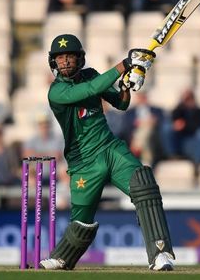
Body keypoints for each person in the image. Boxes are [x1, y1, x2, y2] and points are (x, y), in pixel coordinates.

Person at [39, 34, 175, 271]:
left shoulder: (92, 74)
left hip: (110, 148)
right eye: (60, 58)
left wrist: (127, 84)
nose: (65, 62)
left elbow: (121, 104)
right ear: (54, 63)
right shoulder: (57, 92)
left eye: (70, 56)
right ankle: (63, 258)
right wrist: (124, 65)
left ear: (79, 59)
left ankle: (160, 254)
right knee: (82, 220)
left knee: (144, 185)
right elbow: (90, 89)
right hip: (83, 162)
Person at [120, 91, 167, 167]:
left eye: (143, 96)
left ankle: (137, 145)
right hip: (136, 134)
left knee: (147, 129)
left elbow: (162, 121)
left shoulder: (156, 110)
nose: (141, 99)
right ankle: (147, 161)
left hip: (152, 133)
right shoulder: (130, 112)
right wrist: (138, 123)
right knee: (144, 132)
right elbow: (126, 126)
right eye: (139, 97)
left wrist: (153, 121)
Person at [166, 89, 200, 166]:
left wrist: (184, 125)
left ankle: (198, 164)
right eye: (185, 99)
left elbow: (198, 126)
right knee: (167, 128)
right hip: (180, 141)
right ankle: (173, 156)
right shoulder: (179, 110)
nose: (188, 101)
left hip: (194, 141)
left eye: (189, 98)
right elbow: (174, 119)